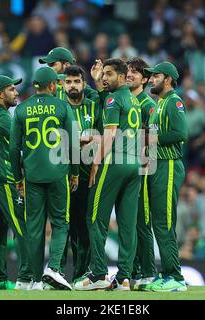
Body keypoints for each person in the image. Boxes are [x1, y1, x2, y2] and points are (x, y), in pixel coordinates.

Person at [9, 67, 79, 291]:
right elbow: (74, 143)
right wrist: (75, 172)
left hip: (32, 176)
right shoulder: (63, 106)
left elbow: (13, 149)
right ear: (52, 85)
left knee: (34, 227)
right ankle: (54, 268)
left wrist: (18, 178)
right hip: (58, 173)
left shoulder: (21, 109)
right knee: (61, 222)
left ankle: (35, 280)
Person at [74, 58, 141, 291]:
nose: (104, 78)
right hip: (135, 165)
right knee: (127, 223)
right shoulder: (133, 99)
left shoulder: (113, 99)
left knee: (95, 218)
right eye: (104, 74)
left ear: (122, 77)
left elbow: (110, 135)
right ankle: (124, 278)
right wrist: (97, 81)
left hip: (114, 162)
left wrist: (95, 162)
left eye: (109, 74)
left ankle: (98, 274)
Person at [0, 75, 32, 290]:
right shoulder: (2, 119)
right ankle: (28, 276)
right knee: (21, 227)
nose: (16, 93)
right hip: (8, 179)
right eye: (12, 89)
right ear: (0, 94)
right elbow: (21, 146)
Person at [143, 61, 188, 292]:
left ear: (168, 79)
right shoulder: (159, 103)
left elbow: (181, 133)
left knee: (165, 221)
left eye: (155, 76)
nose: (151, 79)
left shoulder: (174, 101)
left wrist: (152, 138)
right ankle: (167, 273)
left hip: (169, 165)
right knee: (159, 222)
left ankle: (176, 277)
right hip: (157, 166)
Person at [61, 65, 102, 285]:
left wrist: (92, 140)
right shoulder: (58, 109)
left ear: (83, 84)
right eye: (68, 82)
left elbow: (108, 133)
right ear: (62, 85)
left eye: (76, 81)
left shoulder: (94, 105)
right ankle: (57, 275)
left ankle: (81, 276)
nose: (73, 86)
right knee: (64, 230)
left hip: (88, 178)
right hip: (63, 178)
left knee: (84, 231)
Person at [125, 57, 157, 291]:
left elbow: (152, 141)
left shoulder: (147, 105)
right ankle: (134, 269)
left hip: (142, 170)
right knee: (129, 222)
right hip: (125, 169)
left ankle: (148, 271)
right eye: (127, 71)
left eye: (134, 72)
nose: (129, 75)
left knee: (142, 221)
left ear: (145, 79)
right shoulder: (125, 101)